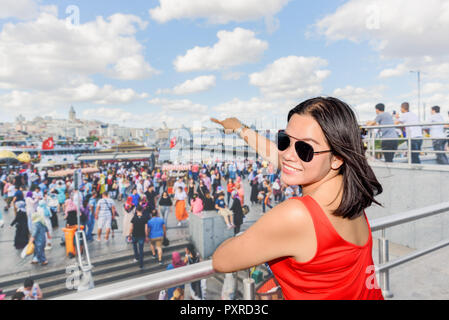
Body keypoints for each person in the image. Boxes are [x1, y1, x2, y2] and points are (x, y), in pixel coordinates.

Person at [211, 97, 384, 300]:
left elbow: (221, 260)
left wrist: (254, 236)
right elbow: (287, 157)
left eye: (305, 149)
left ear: (337, 158)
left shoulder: (297, 215)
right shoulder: (349, 196)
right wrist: (241, 128)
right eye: (285, 140)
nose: (288, 155)